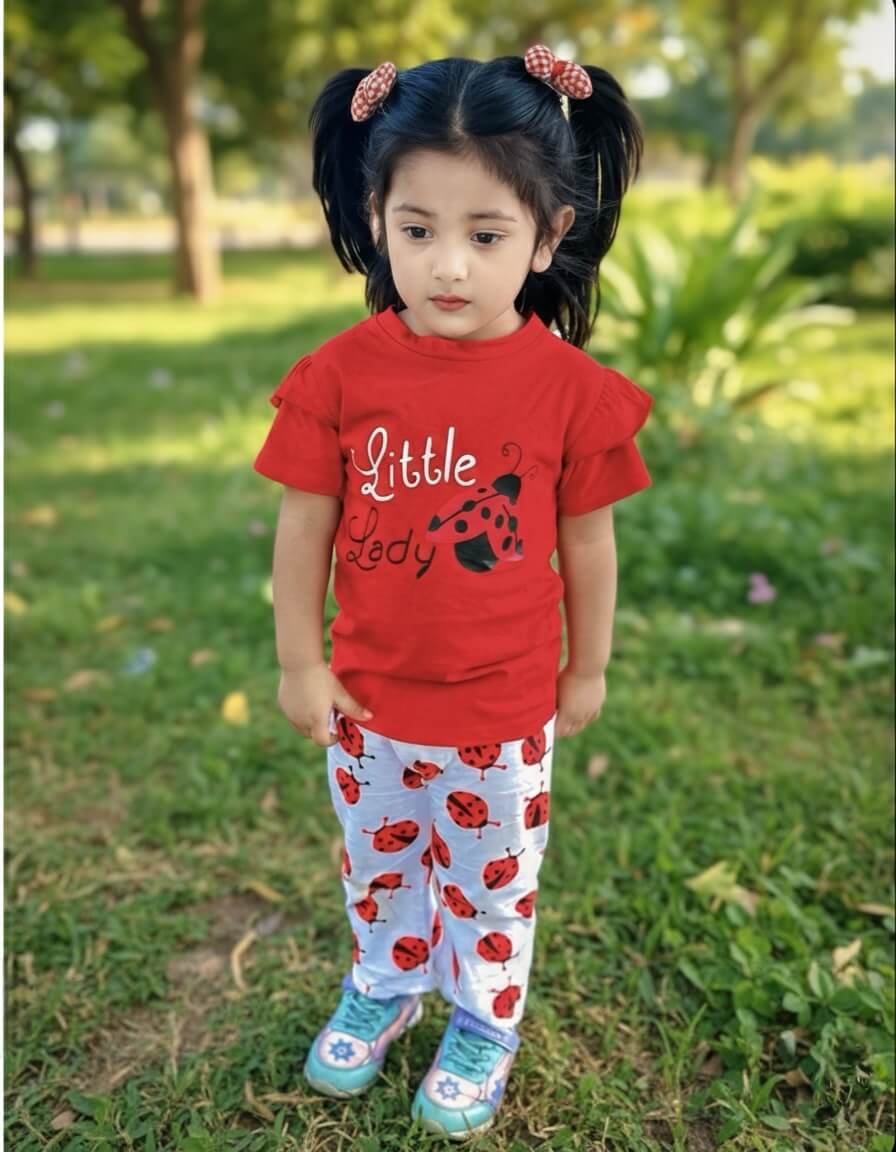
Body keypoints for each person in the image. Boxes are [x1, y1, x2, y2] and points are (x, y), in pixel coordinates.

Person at [253, 43, 654, 1142]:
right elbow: (303, 527)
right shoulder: (339, 377)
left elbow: (589, 544)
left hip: (501, 709)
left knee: (489, 882)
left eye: (485, 236)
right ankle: (382, 984)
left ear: (548, 235)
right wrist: (299, 661)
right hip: (368, 703)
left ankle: (483, 1018)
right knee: (377, 864)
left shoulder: (570, 392)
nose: (448, 268)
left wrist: (587, 666)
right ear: (374, 215)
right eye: (417, 229)